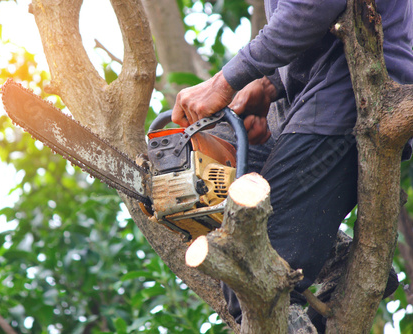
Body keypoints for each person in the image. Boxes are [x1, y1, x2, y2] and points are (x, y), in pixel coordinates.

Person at [171, 0, 413, 327]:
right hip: (305, 101)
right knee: (183, 162)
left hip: (349, 96)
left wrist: (223, 82)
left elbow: (312, 6)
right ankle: (338, 259)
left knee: (251, 274)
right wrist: (269, 84)